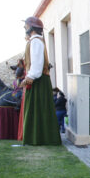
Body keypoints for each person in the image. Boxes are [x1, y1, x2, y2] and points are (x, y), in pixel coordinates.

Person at [20, 16, 61, 145]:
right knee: (37, 109)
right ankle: (37, 138)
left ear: (31, 27)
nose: (25, 28)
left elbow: (37, 64)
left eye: (26, 26)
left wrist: (29, 78)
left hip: (38, 80)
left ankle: (39, 138)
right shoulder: (35, 41)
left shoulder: (36, 41)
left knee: (38, 109)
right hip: (38, 79)